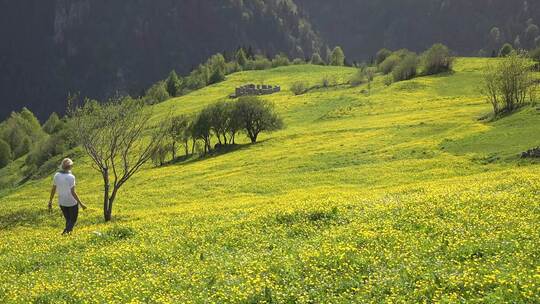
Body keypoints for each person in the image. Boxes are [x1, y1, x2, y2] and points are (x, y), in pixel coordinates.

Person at [48, 158, 87, 234]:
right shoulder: (71, 177)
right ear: (69, 167)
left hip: (62, 202)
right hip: (71, 202)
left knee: (68, 220)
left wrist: (50, 201)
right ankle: (65, 233)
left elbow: (53, 189)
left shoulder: (57, 175)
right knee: (73, 220)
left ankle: (68, 235)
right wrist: (81, 204)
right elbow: (73, 192)